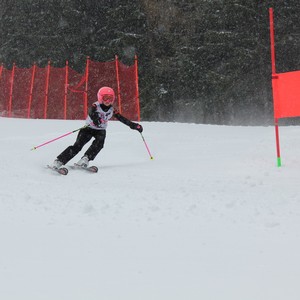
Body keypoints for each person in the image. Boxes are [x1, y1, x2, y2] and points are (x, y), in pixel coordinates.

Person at [52, 86, 143, 169]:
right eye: (105, 98)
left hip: (100, 131)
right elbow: (92, 113)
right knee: (77, 146)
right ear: (100, 98)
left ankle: (85, 159)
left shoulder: (112, 110)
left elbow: (122, 118)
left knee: (99, 145)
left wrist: (134, 125)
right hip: (88, 129)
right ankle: (59, 161)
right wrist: (96, 119)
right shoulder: (96, 106)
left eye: (110, 99)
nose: (108, 101)